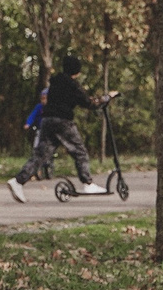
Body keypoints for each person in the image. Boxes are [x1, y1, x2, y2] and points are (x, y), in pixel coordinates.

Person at [9, 54, 111, 200]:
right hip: (63, 122)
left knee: (41, 154)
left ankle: (18, 181)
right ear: (76, 70)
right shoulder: (72, 85)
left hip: (47, 121)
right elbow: (89, 103)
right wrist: (107, 98)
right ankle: (88, 183)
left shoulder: (54, 84)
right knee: (80, 151)